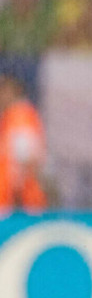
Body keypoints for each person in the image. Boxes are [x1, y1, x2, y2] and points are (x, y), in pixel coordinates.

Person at [0, 75, 48, 212]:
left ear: (12, 91)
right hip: (12, 198)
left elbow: (25, 158)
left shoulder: (20, 116)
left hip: (18, 200)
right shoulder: (11, 115)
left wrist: (17, 193)